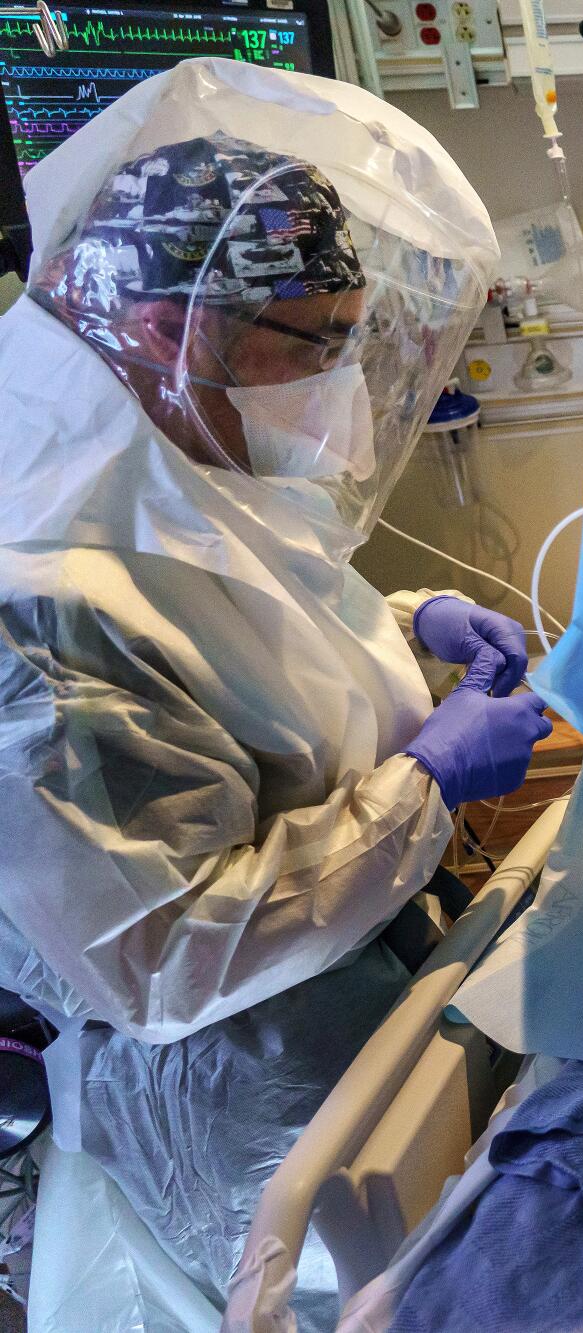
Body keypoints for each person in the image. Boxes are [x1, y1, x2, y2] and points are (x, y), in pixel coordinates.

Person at [0, 60, 545, 1326]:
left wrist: (413, 638)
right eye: (319, 343)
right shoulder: (43, 604)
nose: (341, 387)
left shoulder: (179, 477)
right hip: (243, 1106)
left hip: (367, 1024)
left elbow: (254, 662)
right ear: (172, 327)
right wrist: (428, 780)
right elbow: (168, 946)